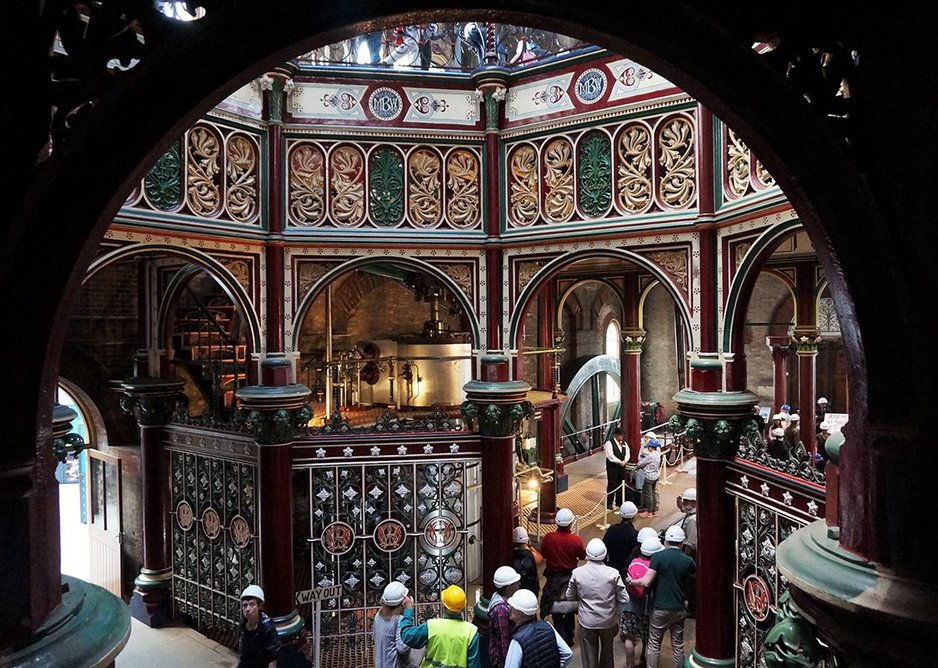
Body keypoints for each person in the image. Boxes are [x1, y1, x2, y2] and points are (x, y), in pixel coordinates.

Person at [627, 526, 696, 668]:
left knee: (654, 644)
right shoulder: (687, 561)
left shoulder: (658, 557)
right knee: (677, 645)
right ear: (682, 542)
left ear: (666, 541)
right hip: (678, 608)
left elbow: (646, 582)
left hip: (659, 607)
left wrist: (631, 582)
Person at [566, 538, 629, 668]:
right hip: (608, 621)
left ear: (587, 554)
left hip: (587, 622)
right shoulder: (613, 573)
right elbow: (624, 598)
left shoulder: (577, 573)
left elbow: (570, 596)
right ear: (605, 554)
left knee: (589, 658)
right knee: (607, 653)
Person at [400, 584, 481, 668]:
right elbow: (474, 665)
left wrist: (408, 610)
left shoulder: (431, 626)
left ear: (443, 606)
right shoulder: (471, 631)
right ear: (464, 607)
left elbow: (408, 637)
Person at [539, 508, 585, 646]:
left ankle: (560, 639)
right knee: (570, 609)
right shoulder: (576, 540)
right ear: (571, 523)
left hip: (553, 579)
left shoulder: (548, 538)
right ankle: (569, 638)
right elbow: (582, 556)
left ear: (556, 523)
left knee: (556, 611)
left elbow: (544, 555)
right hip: (570, 578)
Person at [620, 536, 664, 668]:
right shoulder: (654, 567)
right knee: (648, 639)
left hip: (630, 605)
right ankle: (644, 663)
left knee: (629, 637)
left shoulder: (633, 562)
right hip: (646, 607)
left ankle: (629, 664)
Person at [503, 589, 573, 668]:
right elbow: (567, 653)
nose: (509, 609)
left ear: (519, 613)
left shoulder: (517, 641)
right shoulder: (547, 626)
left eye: (512, 607)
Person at [238, 584, 280, 668]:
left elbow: (273, 657)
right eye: (245, 605)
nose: (248, 609)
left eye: (252, 604)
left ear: (259, 606)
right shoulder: (243, 623)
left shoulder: (267, 627)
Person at [374, 581, 414, 668]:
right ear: (403, 601)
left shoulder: (379, 614)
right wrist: (409, 611)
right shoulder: (399, 619)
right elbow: (402, 647)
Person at [489, 566, 522, 668]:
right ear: (508, 587)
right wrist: (508, 662)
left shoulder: (497, 596)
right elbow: (504, 640)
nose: (519, 584)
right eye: (516, 583)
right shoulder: (501, 610)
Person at [602, 501, 639, 575]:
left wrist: (606, 564)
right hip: (626, 569)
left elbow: (604, 547)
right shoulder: (635, 533)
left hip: (612, 566)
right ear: (633, 516)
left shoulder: (612, 529)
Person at [604, 427, 630, 509]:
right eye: (620, 436)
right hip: (613, 467)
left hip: (622, 467)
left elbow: (627, 453)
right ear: (616, 435)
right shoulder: (609, 443)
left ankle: (620, 502)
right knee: (612, 484)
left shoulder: (624, 444)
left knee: (621, 483)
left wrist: (625, 461)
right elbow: (610, 455)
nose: (621, 437)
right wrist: (619, 461)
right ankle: (609, 503)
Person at [512, 527, 541, 597]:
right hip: (530, 591)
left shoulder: (510, 555)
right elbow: (540, 559)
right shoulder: (532, 555)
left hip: (517, 592)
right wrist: (530, 547)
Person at [636, 438, 662, 517]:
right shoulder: (657, 454)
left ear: (651, 447)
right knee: (653, 493)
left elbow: (641, 463)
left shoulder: (650, 455)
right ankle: (654, 511)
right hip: (655, 476)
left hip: (648, 477)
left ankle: (649, 512)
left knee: (648, 495)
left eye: (649, 446)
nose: (648, 448)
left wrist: (638, 463)